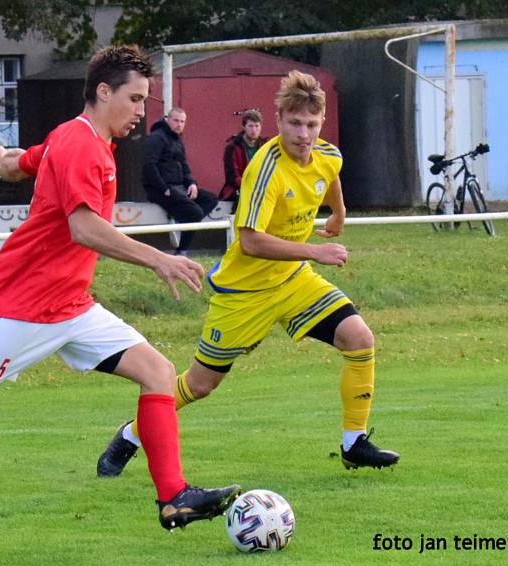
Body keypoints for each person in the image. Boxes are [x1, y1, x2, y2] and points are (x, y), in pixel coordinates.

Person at [0, 45, 240, 559]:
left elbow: (26, 162)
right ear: (103, 92)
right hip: (26, 303)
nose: (142, 112)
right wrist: (158, 259)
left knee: (159, 373)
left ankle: (172, 497)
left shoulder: (77, 137)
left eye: (145, 101)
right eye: (136, 99)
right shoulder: (81, 145)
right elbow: (83, 228)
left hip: (71, 305)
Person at [97, 70, 400, 479]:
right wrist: (315, 250)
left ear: (321, 123)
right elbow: (251, 241)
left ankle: (354, 444)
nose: (303, 134)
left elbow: (330, 176)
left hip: (293, 281)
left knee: (359, 338)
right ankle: (131, 434)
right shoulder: (265, 169)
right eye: (294, 124)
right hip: (245, 292)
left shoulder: (328, 154)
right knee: (200, 385)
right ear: (279, 121)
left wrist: (339, 213)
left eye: (311, 125)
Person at [142, 107, 218, 255]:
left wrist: (192, 183)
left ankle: (182, 218)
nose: (179, 124)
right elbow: (148, 167)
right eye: (176, 120)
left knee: (211, 199)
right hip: (160, 189)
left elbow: (184, 166)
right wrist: (164, 188)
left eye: (182, 121)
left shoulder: (177, 140)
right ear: (167, 119)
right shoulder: (156, 138)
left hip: (179, 187)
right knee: (194, 213)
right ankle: (181, 251)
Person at [218, 109, 267, 205]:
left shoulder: (265, 146)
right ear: (243, 127)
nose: (254, 130)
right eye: (250, 126)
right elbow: (231, 177)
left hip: (262, 186)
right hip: (239, 187)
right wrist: (251, 186)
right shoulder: (232, 147)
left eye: (257, 126)